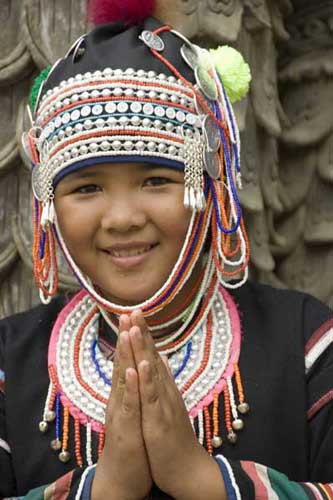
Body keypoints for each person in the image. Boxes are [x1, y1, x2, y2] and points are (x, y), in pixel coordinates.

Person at [1, 0, 333, 498]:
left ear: (212, 188)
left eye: (157, 180)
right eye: (86, 188)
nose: (123, 218)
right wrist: (105, 488)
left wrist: (205, 480)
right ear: (49, 205)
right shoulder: (10, 366)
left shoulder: (307, 346)